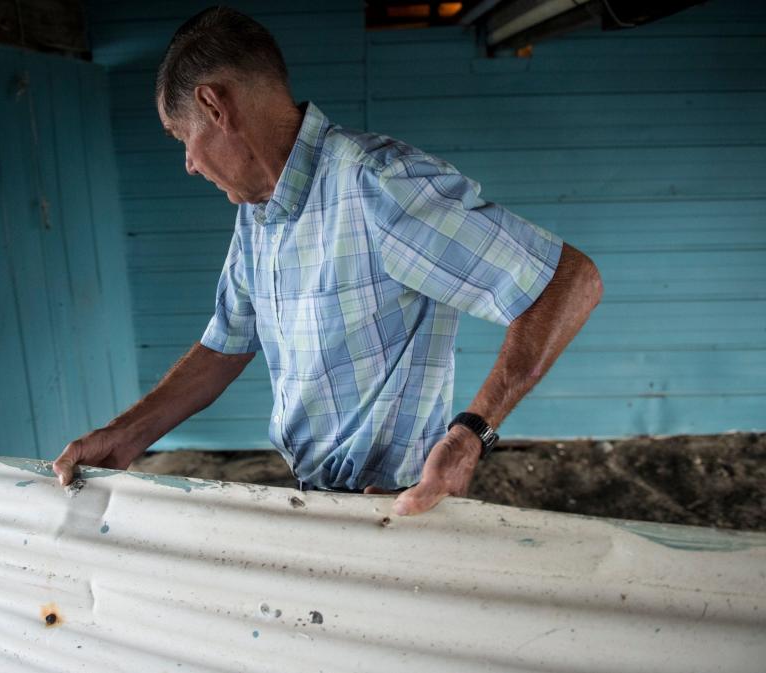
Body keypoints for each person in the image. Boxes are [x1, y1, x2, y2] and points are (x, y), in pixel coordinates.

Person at [53, 7, 603, 516]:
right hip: (314, 496)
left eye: (182, 139)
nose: (190, 165)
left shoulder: (379, 187)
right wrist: (124, 434)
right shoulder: (258, 211)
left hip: (394, 502)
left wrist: (468, 439)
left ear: (214, 106)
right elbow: (227, 344)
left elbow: (570, 282)